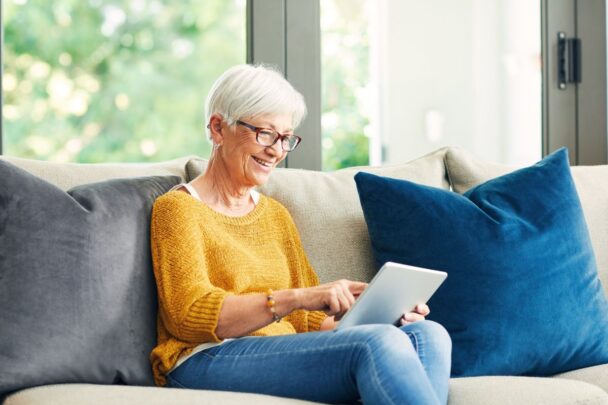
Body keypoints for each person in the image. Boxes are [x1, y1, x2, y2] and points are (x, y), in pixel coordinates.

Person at [149, 64, 451, 405]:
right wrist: (297, 297)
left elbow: (304, 321)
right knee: (377, 343)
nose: (277, 151)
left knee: (427, 334)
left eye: (285, 138)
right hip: (205, 357)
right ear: (219, 128)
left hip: (276, 351)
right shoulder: (178, 209)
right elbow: (188, 317)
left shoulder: (275, 215)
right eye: (265, 133)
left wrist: (373, 316)